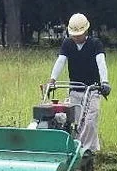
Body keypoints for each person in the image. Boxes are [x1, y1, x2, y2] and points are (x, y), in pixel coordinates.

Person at [47, 13, 111, 152]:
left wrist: (105, 82)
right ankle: (74, 147)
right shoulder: (67, 44)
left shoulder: (95, 44)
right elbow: (61, 61)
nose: (76, 37)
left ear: (86, 31)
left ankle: (86, 151)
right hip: (74, 89)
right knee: (70, 120)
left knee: (89, 121)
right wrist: (52, 80)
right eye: (74, 34)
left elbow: (101, 63)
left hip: (92, 90)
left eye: (79, 34)